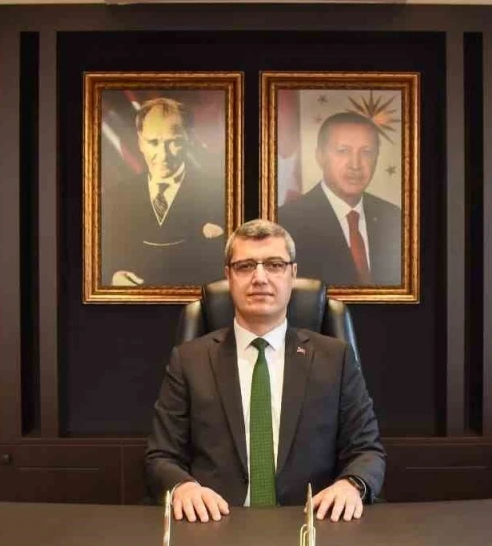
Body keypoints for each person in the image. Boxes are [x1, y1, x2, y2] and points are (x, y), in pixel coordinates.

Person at [144, 219, 385, 523]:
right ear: (229, 275)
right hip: (214, 524)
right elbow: (161, 456)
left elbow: (367, 451)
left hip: (312, 524)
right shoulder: (190, 360)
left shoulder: (335, 358)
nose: (260, 278)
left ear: (292, 274)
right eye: (245, 266)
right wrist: (183, 487)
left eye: (274, 265)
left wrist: (351, 485)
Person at [100, 97, 225, 288]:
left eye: (173, 142)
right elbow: (101, 260)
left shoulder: (221, 194)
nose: (163, 155)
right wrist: (112, 277)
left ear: (189, 140)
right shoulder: (114, 198)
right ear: (140, 143)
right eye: (153, 142)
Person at [276, 111, 401, 286]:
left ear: (376, 158)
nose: (355, 165)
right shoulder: (285, 223)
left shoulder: (393, 218)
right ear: (320, 157)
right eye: (343, 151)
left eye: (366, 152)